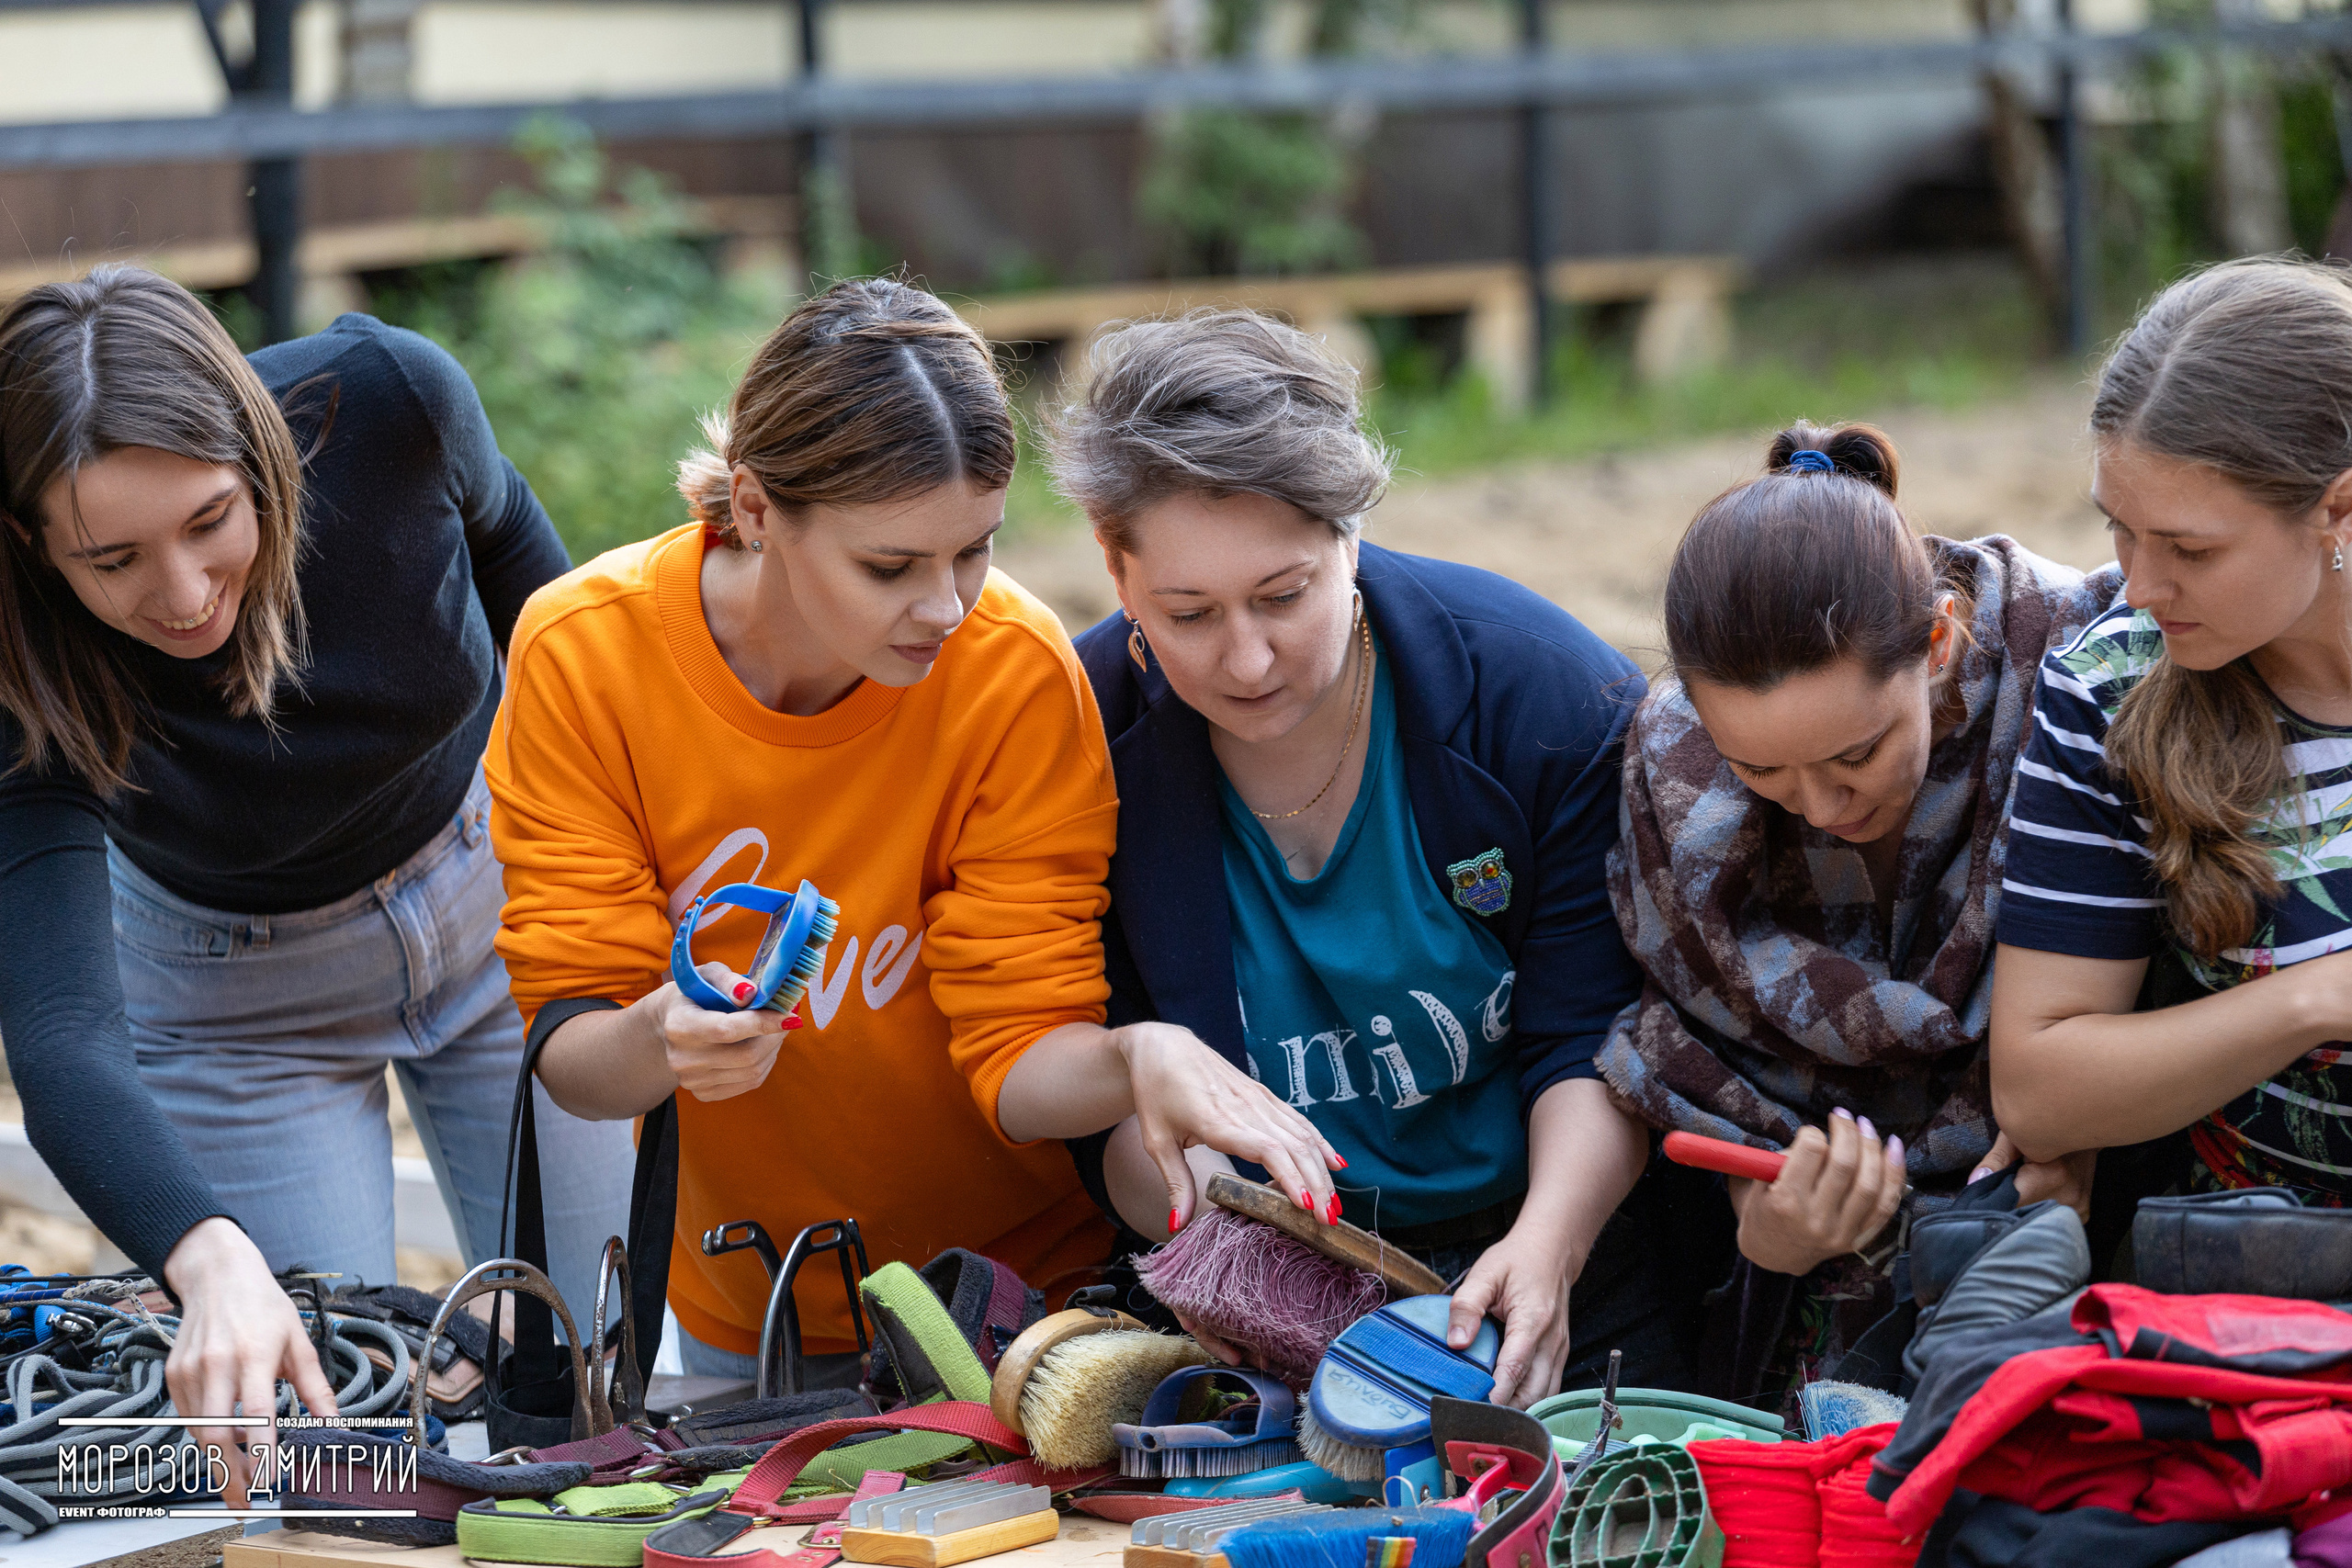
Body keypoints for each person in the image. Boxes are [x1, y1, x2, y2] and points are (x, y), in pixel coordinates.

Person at [490, 278, 1335, 1386]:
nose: (945, 606)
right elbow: (574, 1054)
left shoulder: (1016, 674)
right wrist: (660, 1038)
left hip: (1024, 1306)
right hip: (757, 1306)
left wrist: (1140, 1054)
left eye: (974, 549)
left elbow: (1020, 1042)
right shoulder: (582, 653)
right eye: (889, 567)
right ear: (753, 508)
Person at [0, 267, 634, 1497]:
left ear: (265, 450)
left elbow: (570, 648)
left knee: (601, 1379)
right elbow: (66, 1035)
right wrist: (203, 1253)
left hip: (498, 907)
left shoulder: (393, 406)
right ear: (36, 542)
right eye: (113, 557)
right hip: (238, 1005)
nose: (180, 595)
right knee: (331, 1452)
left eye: (209, 522)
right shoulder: (20, 654)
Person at [995, 308, 1699, 1410]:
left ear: (1350, 536)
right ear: (1111, 562)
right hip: (1248, 1292)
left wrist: (1549, 1251)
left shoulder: (1542, 695)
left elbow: (1596, 1040)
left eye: (1285, 595)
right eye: (1188, 613)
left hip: (1557, 1250)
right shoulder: (1070, 740)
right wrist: (1211, 1239)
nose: (1246, 657)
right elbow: (1099, 1099)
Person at [1598, 421, 2114, 1405]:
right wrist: (1769, 1223)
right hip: (1813, 1304)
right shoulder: (1669, 768)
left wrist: (2083, 1117)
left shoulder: (2074, 666)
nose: (1825, 808)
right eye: (1760, 770)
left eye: (1855, 755)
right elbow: (1694, 1053)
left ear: (1939, 641)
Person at [1993, 258, 2352, 1208]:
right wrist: (2317, 999)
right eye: (2120, 530)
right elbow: (2038, 1092)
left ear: (2339, 508)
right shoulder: (2107, 690)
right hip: (2258, 1312)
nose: (2141, 588)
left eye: (2190, 550)